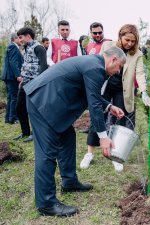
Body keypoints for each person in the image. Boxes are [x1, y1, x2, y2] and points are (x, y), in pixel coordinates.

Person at [24, 47, 126, 217]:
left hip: (50, 101)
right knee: (47, 152)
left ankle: (69, 181)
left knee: (68, 137)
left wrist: (108, 106)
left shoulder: (93, 63)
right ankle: (46, 203)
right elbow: (93, 104)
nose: (118, 71)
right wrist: (103, 137)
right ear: (114, 59)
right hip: (43, 101)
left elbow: (91, 94)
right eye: (119, 67)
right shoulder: (96, 68)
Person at [80, 24, 150, 171]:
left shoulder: (137, 54)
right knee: (98, 116)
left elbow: (140, 74)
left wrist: (144, 91)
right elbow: (98, 64)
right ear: (120, 36)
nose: (130, 44)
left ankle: (115, 154)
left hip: (122, 89)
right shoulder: (108, 45)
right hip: (105, 85)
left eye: (133, 41)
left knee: (120, 119)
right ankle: (89, 153)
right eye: (127, 40)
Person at [13, 27, 48, 143]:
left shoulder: (39, 48)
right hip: (25, 82)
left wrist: (39, 83)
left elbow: (43, 66)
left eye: (21, 37)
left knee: (33, 110)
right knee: (19, 107)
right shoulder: (26, 48)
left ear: (28, 36)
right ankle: (25, 132)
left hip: (34, 83)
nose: (19, 40)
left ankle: (35, 133)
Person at [2, 33, 23, 124]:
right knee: (14, 97)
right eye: (19, 38)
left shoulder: (11, 47)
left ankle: (8, 118)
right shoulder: (13, 47)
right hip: (12, 77)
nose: (21, 40)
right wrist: (18, 75)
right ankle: (13, 118)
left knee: (10, 97)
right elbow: (13, 62)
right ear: (15, 39)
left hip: (8, 76)